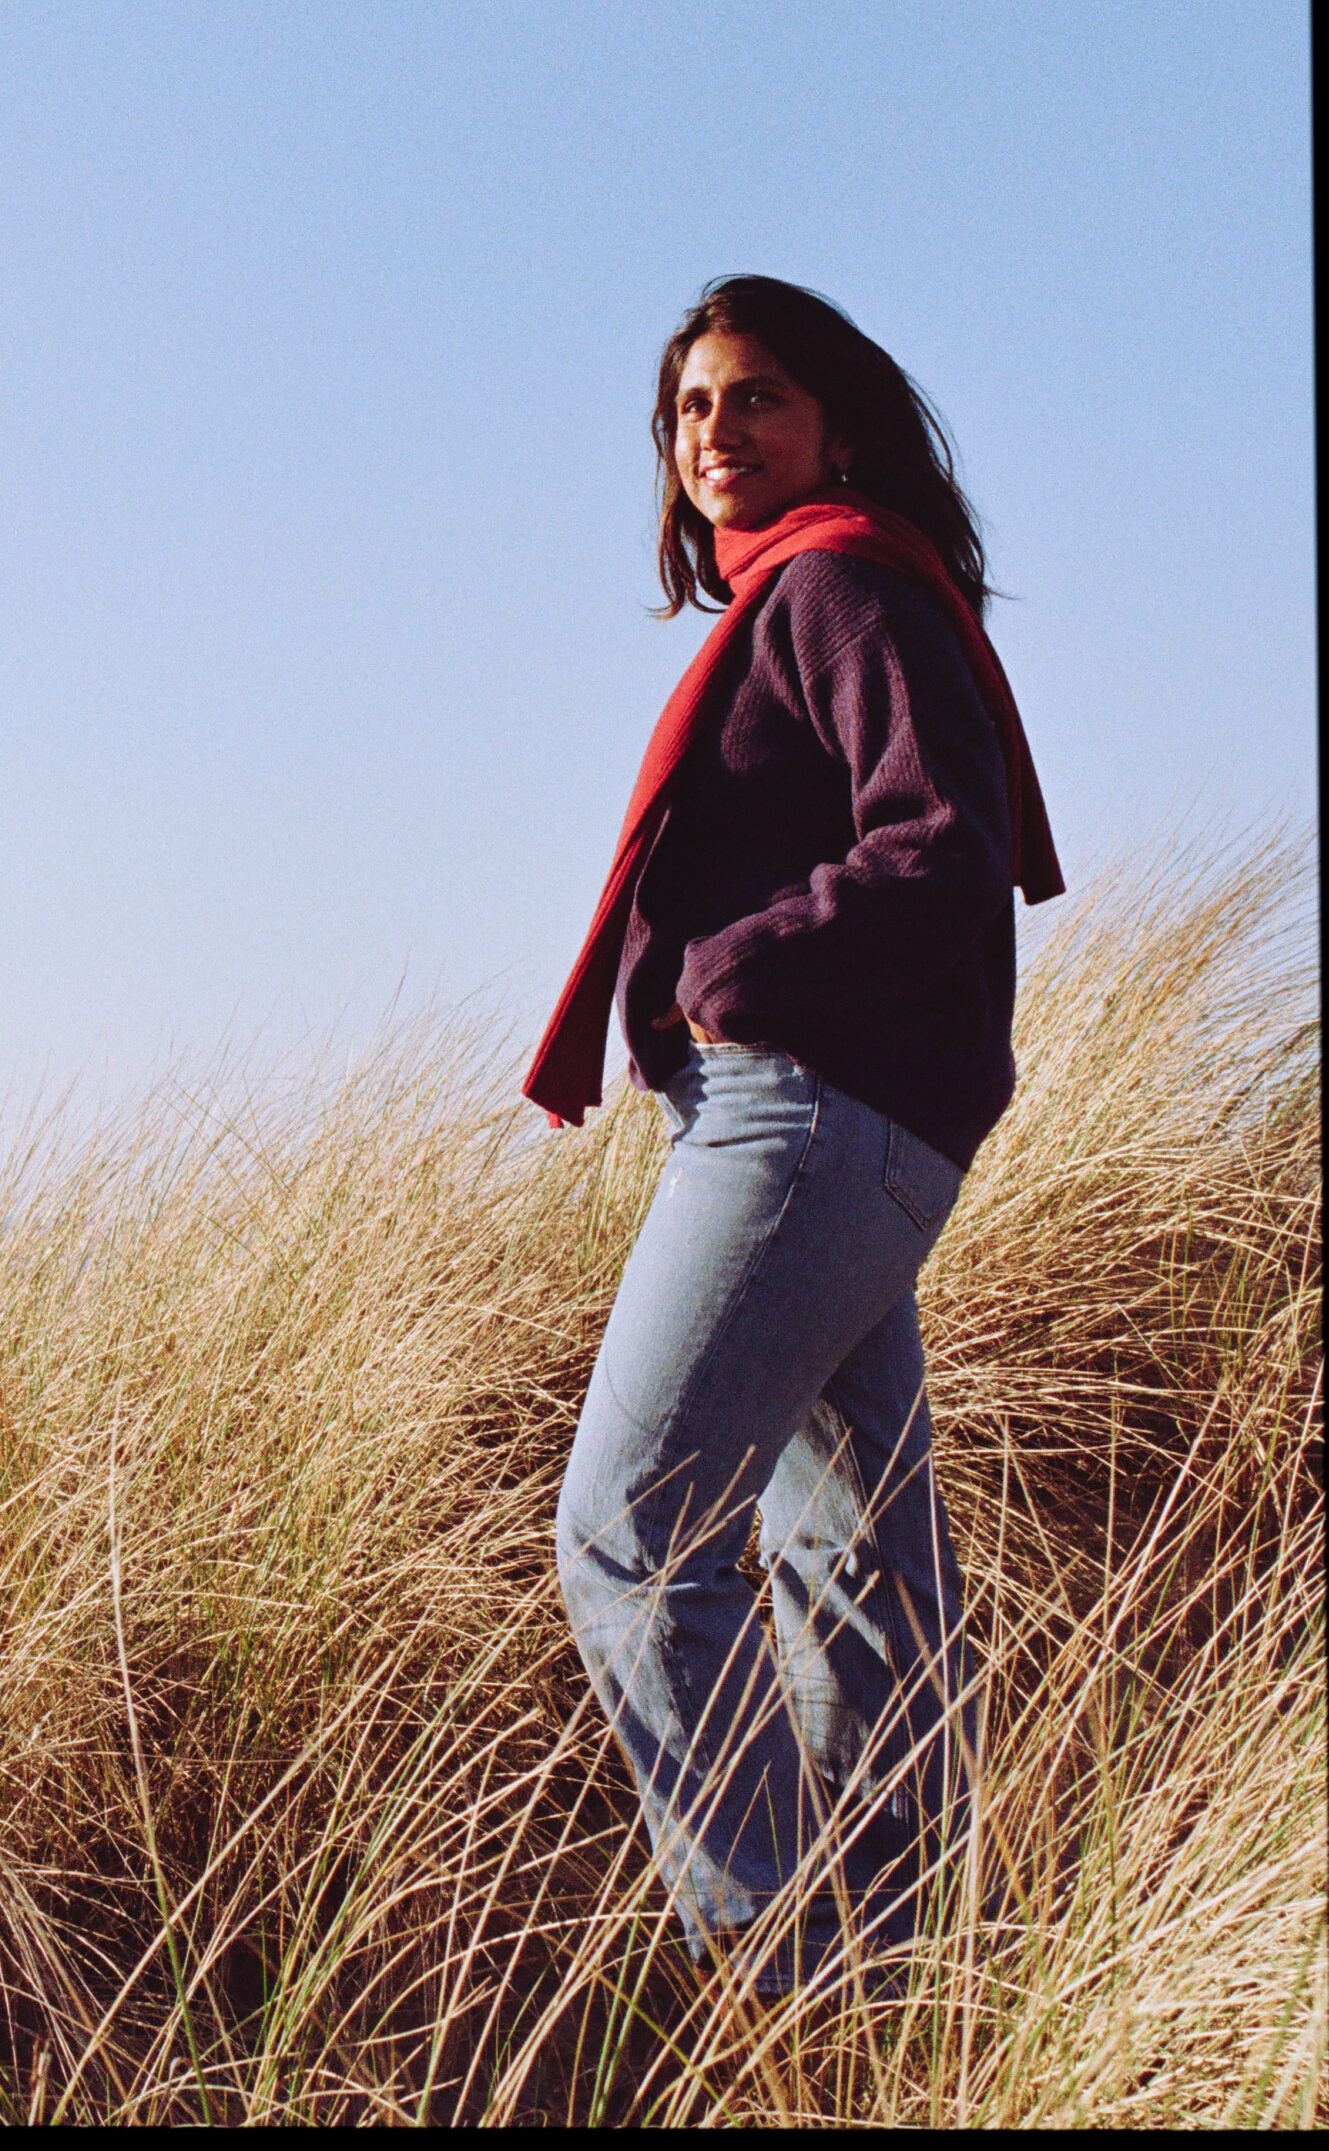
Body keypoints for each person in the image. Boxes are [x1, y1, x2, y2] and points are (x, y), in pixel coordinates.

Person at [524, 275, 1063, 1998]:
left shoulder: (836, 581)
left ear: (831, 423)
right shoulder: (813, 591)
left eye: (755, 399)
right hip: (850, 1125)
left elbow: (935, 845)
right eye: (689, 410)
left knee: (627, 1530)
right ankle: (903, 1985)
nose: (715, 434)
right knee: (853, 1567)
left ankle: (781, 1975)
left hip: (802, 1118)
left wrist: (721, 970)